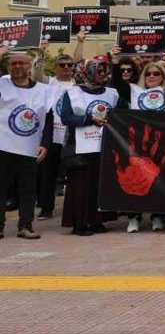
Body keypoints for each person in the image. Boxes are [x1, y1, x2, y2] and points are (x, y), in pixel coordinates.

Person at [52, 55, 117, 236]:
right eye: (98, 71)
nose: (103, 74)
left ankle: (96, 220)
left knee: (99, 183)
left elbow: (120, 113)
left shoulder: (111, 93)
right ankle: (79, 223)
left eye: (104, 70)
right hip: (80, 146)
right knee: (80, 184)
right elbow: (66, 117)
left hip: (103, 145)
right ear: (86, 72)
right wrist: (89, 119)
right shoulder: (73, 93)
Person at [0, 49, 55, 240]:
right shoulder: (2, 84)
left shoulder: (44, 90)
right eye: (13, 63)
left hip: (30, 147)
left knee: (28, 189)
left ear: (29, 66)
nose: (17, 66)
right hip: (3, 146)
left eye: (21, 63)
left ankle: (25, 225)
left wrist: (45, 144)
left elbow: (49, 120)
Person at [122, 61, 165, 234]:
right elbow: (118, 83)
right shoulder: (134, 91)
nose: (151, 76)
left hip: (160, 142)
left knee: (157, 179)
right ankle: (134, 217)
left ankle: (157, 215)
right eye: (148, 73)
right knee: (134, 179)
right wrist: (115, 61)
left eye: (156, 73)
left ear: (163, 77)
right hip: (137, 142)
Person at [38, 45, 86, 222]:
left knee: (73, 173)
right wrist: (41, 54)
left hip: (73, 136)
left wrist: (80, 41)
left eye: (69, 65)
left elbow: (79, 60)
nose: (66, 68)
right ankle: (46, 208)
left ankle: (74, 208)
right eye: (62, 65)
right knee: (48, 174)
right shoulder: (49, 82)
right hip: (52, 135)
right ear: (55, 67)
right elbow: (37, 73)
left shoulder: (78, 84)